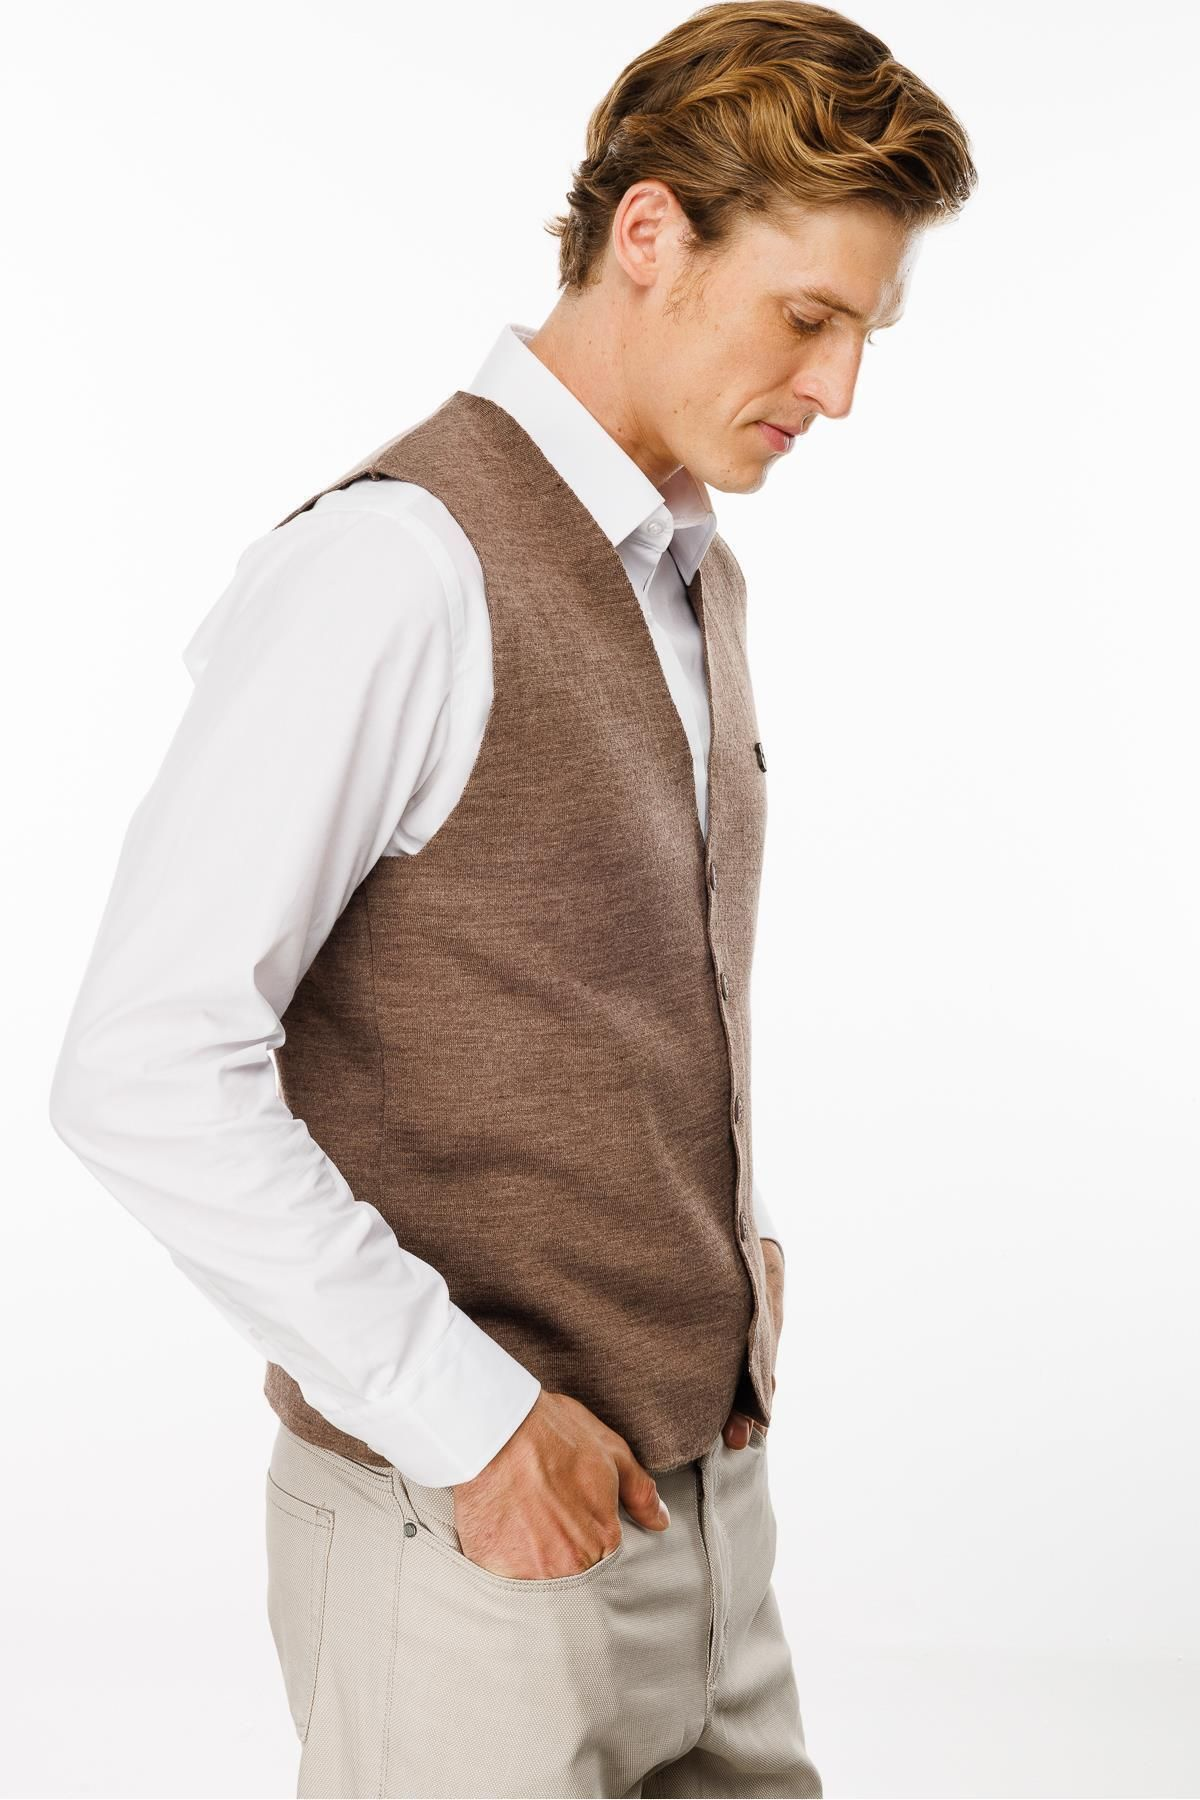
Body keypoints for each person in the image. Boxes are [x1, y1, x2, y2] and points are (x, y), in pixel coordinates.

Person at [48, 2, 976, 1793]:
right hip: (466, 1546)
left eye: (869, 332)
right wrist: (470, 1425)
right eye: (808, 317)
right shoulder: (394, 568)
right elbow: (144, 1067)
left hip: (710, 1521)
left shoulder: (692, 575)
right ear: (651, 235)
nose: (842, 389)